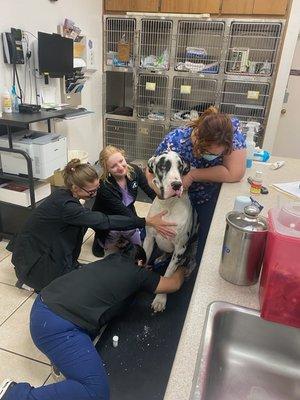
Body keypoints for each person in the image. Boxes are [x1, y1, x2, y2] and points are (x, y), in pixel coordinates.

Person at [0, 245, 187, 400]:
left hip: (43, 306)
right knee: (95, 391)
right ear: (140, 263)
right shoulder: (137, 272)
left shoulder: (107, 261)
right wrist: (183, 267)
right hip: (57, 326)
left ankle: (61, 362)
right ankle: (14, 395)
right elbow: (173, 284)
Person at [8, 159, 176, 293]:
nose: (95, 194)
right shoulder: (67, 207)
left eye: (97, 189)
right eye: (91, 192)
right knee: (66, 289)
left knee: (77, 235)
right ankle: (28, 281)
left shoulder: (64, 193)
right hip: (33, 262)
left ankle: (67, 267)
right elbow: (104, 221)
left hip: (41, 247)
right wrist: (144, 221)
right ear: (75, 187)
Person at [147, 106, 246, 262]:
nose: (212, 157)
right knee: (159, 238)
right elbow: (150, 169)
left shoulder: (232, 132)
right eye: (209, 153)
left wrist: (193, 175)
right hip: (175, 197)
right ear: (198, 138)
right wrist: (159, 191)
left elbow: (235, 173)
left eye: (217, 155)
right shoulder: (175, 140)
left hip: (207, 197)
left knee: (205, 252)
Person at [92, 145, 156, 257]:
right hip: (108, 216)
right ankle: (99, 241)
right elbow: (122, 212)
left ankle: (124, 237)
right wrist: (146, 222)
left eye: (121, 161)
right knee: (111, 237)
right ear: (107, 170)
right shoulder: (105, 187)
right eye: (113, 166)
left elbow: (150, 191)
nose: (120, 167)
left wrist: (164, 204)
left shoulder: (134, 170)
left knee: (138, 239)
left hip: (127, 208)